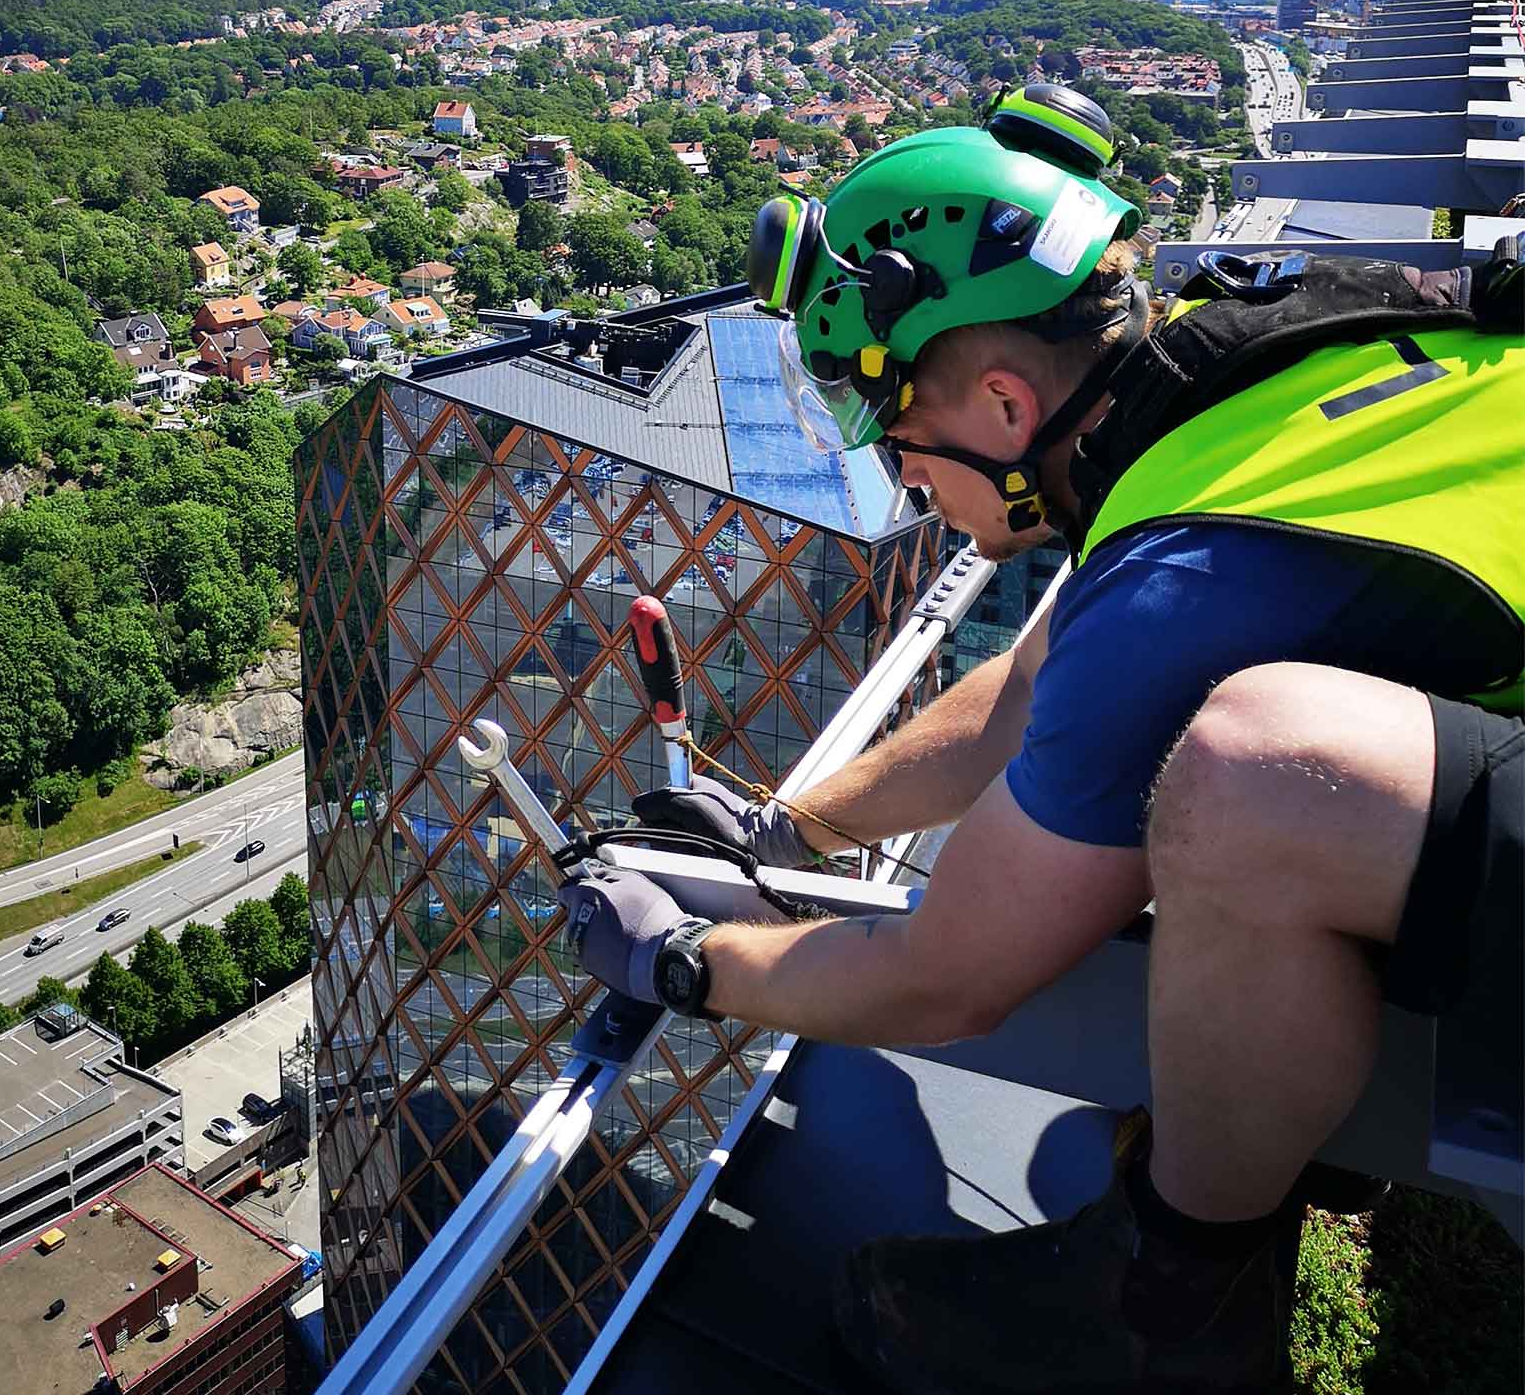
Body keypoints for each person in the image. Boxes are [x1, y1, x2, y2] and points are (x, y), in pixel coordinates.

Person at [556, 85, 1523, 1392]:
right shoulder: (1242, 369)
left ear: (1007, 412)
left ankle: (1163, 1313)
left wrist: (684, 961)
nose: (901, 473)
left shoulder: (1180, 579)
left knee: (1254, 774)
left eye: (895, 429)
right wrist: (795, 827)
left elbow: (953, 976)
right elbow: (1034, 682)